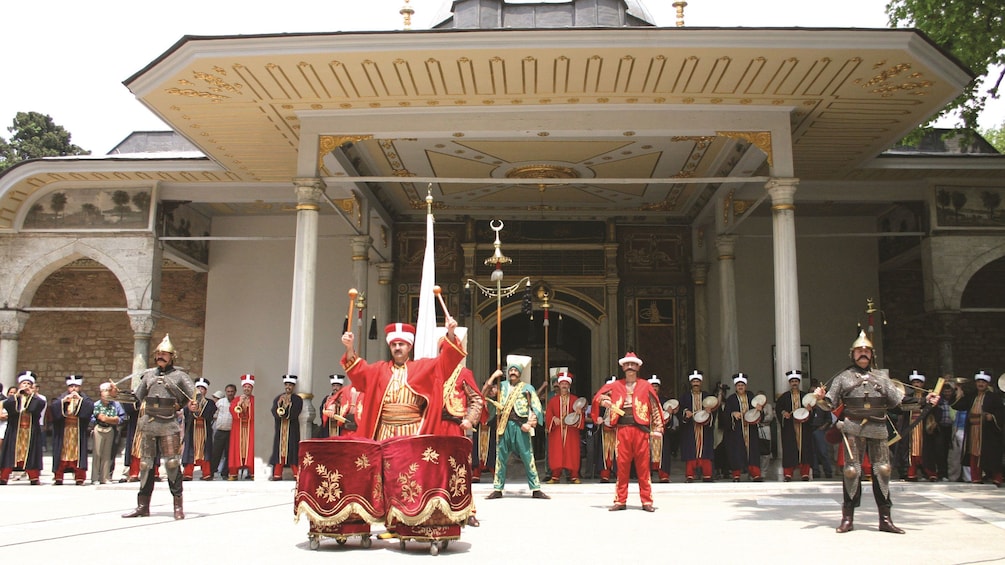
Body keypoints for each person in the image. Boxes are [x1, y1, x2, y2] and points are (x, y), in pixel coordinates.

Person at [814, 330, 938, 534]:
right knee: (852, 471)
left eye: (866, 350)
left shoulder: (881, 377)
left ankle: (885, 518)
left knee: (883, 470)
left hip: (878, 427)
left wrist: (924, 401)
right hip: (853, 427)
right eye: (859, 350)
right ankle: (848, 517)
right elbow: (829, 404)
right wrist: (819, 397)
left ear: (872, 354)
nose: (863, 354)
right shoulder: (843, 377)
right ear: (852, 354)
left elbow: (898, 403)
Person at [340, 320, 465, 440]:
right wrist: (350, 348)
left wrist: (450, 333)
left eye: (401, 344)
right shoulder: (379, 370)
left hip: (412, 432)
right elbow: (358, 371)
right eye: (394, 345)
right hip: (384, 433)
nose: (397, 348)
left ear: (409, 346)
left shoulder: (422, 367)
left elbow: (446, 361)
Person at [123, 334, 196, 520]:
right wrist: (115, 394)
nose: (160, 356)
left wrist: (193, 404)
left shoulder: (180, 376)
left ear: (172, 356)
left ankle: (178, 506)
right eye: (158, 354)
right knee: (146, 464)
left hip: (169, 422)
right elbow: (136, 398)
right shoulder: (148, 375)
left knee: (172, 463)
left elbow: (195, 395)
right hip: (149, 423)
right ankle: (142, 505)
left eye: (164, 354)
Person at [594, 352, 663, 512]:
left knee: (643, 467)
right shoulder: (616, 385)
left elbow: (655, 406)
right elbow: (598, 397)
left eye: (633, 365)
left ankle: (647, 501)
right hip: (622, 430)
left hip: (641, 431)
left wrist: (658, 428)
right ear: (623, 368)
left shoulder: (645, 385)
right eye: (627, 365)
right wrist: (604, 401)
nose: (630, 368)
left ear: (638, 367)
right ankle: (620, 500)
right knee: (622, 466)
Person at [484, 359, 550, 500]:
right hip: (504, 425)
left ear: (519, 373)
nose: (513, 372)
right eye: (511, 370)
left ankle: (536, 488)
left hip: (521, 426)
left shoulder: (527, 388)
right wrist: (494, 377)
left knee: (527, 457)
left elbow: (536, 407)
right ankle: (497, 488)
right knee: (500, 458)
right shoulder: (501, 386)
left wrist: (530, 423)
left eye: (515, 370)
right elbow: (484, 393)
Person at [951, 370, 1004, 486]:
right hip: (973, 430)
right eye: (979, 381)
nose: (981, 384)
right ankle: (976, 477)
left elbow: (1001, 412)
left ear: (987, 384)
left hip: (988, 432)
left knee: (991, 454)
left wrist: (992, 417)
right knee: (973, 452)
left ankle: (996, 477)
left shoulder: (993, 397)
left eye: (983, 382)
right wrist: (958, 391)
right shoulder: (971, 396)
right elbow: (957, 406)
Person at [0, 372, 47, 485]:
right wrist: (17, 395)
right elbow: (8, 406)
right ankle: (4, 477)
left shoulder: (38, 399)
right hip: (15, 431)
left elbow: (38, 407)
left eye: (28, 384)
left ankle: (34, 477)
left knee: (31, 453)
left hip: (30, 430)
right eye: (23, 383)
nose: (26, 386)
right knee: (11, 453)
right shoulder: (14, 398)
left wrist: (31, 395)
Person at [50, 374, 95, 486]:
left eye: (76, 386)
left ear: (80, 387)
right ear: (68, 388)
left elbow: (89, 408)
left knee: (77, 453)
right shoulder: (61, 398)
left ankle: (79, 476)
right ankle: (58, 476)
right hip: (64, 431)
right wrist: (63, 402)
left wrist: (80, 400)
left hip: (77, 431)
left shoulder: (85, 399)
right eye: (71, 386)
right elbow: (54, 409)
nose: (73, 389)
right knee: (62, 453)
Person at [896, 370, 938, 481]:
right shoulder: (907, 396)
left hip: (923, 427)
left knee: (925, 449)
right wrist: (923, 401)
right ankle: (911, 472)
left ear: (922, 384)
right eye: (914, 382)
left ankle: (930, 472)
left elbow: (934, 410)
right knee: (909, 449)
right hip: (910, 426)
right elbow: (902, 403)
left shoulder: (929, 395)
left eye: (918, 382)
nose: (916, 384)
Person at [722, 372, 763, 482]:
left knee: (753, 452)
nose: (740, 387)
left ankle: (755, 474)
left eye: (742, 385)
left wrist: (759, 410)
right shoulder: (731, 399)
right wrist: (733, 414)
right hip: (737, 431)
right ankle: (736, 475)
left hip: (751, 430)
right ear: (736, 386)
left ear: (746, 386)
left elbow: (759, 414)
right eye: (738, 385)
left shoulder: (751, 397)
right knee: (737, 452)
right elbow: (725, 415)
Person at [545, 371, 584, 484]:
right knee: (556, 452)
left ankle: (574, 475)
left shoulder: (575, 399)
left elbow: (580, 414)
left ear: (569, 385)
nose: (564, 385)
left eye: (566, 383)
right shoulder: (552, 401)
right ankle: (555, 475)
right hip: (557, 430)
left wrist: (579, 412)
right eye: (562, 383)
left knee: (572, 452)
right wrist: (553, 419)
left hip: (571, 430)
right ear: (559, 384)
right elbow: (548, 414)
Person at [679, 370, 716, 482]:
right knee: (691, 450)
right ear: (691, 383)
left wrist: (710, 412)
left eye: (698, 381)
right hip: (691, 428)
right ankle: (690, 475)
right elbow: (680, 410)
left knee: (706, 451)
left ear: (701, 382)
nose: (696, 384)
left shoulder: (707, 396)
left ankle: (707, 475)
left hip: (704, 429)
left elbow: (715, 409)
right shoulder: (685, 397)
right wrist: (686, 412)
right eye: (694, 381)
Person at [777, 369, 813, 481]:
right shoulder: (784, 397)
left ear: (799, 382)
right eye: (792, 381)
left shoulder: (806, 396)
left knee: (805, 449)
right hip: (790, 427)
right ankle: (788, 474)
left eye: (796, 381)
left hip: (804, 428)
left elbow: (813, 411)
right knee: (789, 449)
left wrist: (809, 410)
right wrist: (784, 413)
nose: (794, 383)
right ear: (789, 383)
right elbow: (779, 409)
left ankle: (805, 473)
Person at [91, 381, 126, 484]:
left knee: (108, 455)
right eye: (105, 391)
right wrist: (103, 419)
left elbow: (120, 418)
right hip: (99, 429)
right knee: (97, 453)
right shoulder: (96, 404)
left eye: (108, 391)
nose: (107, 393)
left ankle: (105, 477)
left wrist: (107, 419)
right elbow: (94, 418)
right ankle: (95, 477)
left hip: (111, 429)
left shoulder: (116, 404)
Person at [269, 374, 303, 480]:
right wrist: (280, 405)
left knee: (292, 450)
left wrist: (288, 406)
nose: (288, 387)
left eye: (291, 385)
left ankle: (296, 474)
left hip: (292, 429)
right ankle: (277, 474)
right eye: (287, 384)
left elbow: (295, 413)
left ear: (293, 386)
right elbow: (274, 411)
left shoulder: (297, 399)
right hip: (281, 429)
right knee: (280, 451)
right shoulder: (278, 398)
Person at [182, 377, 217, 480]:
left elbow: (209, 414)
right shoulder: (188, 402)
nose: (200, 390)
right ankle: (188, 473)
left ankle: (206, 473)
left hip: (204, 430)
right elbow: (186, 414)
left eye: (202, 388)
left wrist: (198, 408)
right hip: (192, 430)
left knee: (205, 452)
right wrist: (190, 408)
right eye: (198, 388)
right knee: (190, 451)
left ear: (206, 391)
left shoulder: (210, 403)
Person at [228, 374, 256, 480]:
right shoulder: (236, 399)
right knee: (236, 450)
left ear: (252, 388)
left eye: (249, 387)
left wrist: (249, 406)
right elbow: (232, 411)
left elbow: (255, 414)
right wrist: (239, 404)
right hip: (238, 428)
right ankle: (233, 473)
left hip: (250, 427)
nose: (246, 388)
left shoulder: (254, 400)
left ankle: (253, 473)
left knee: (250, 450)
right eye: (245, 387)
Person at [647, 375, 674, 483]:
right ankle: (646, 476)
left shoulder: (664, 401)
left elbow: (668, 418)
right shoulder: (642, 400)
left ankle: (664, 475)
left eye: (656, 386)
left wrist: (669, 414)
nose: (654, 388)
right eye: (652, 386)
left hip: (662, 433)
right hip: (647, 431)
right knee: (645, 454)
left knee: (664, 454)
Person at [591, 375, 618, 483]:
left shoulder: (621, 398)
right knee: (604, 452)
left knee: (619, 452)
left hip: (618, 429)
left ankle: (619, 473)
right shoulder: (600, 399)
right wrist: (597, 418)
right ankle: (605, 474)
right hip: (605, 430)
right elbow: (595, 409)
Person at [211, 384, 236, 479]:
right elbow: (213, 411)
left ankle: (225, 473)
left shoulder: (237, 402)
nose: (230, 393)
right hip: (220, 431)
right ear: (226, 392)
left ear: (235, 392)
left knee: (229, 454)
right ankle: (211, 472)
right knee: (216, 453)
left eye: (232, 391)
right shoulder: (220, 402)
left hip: (231, 432)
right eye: (228, 391)